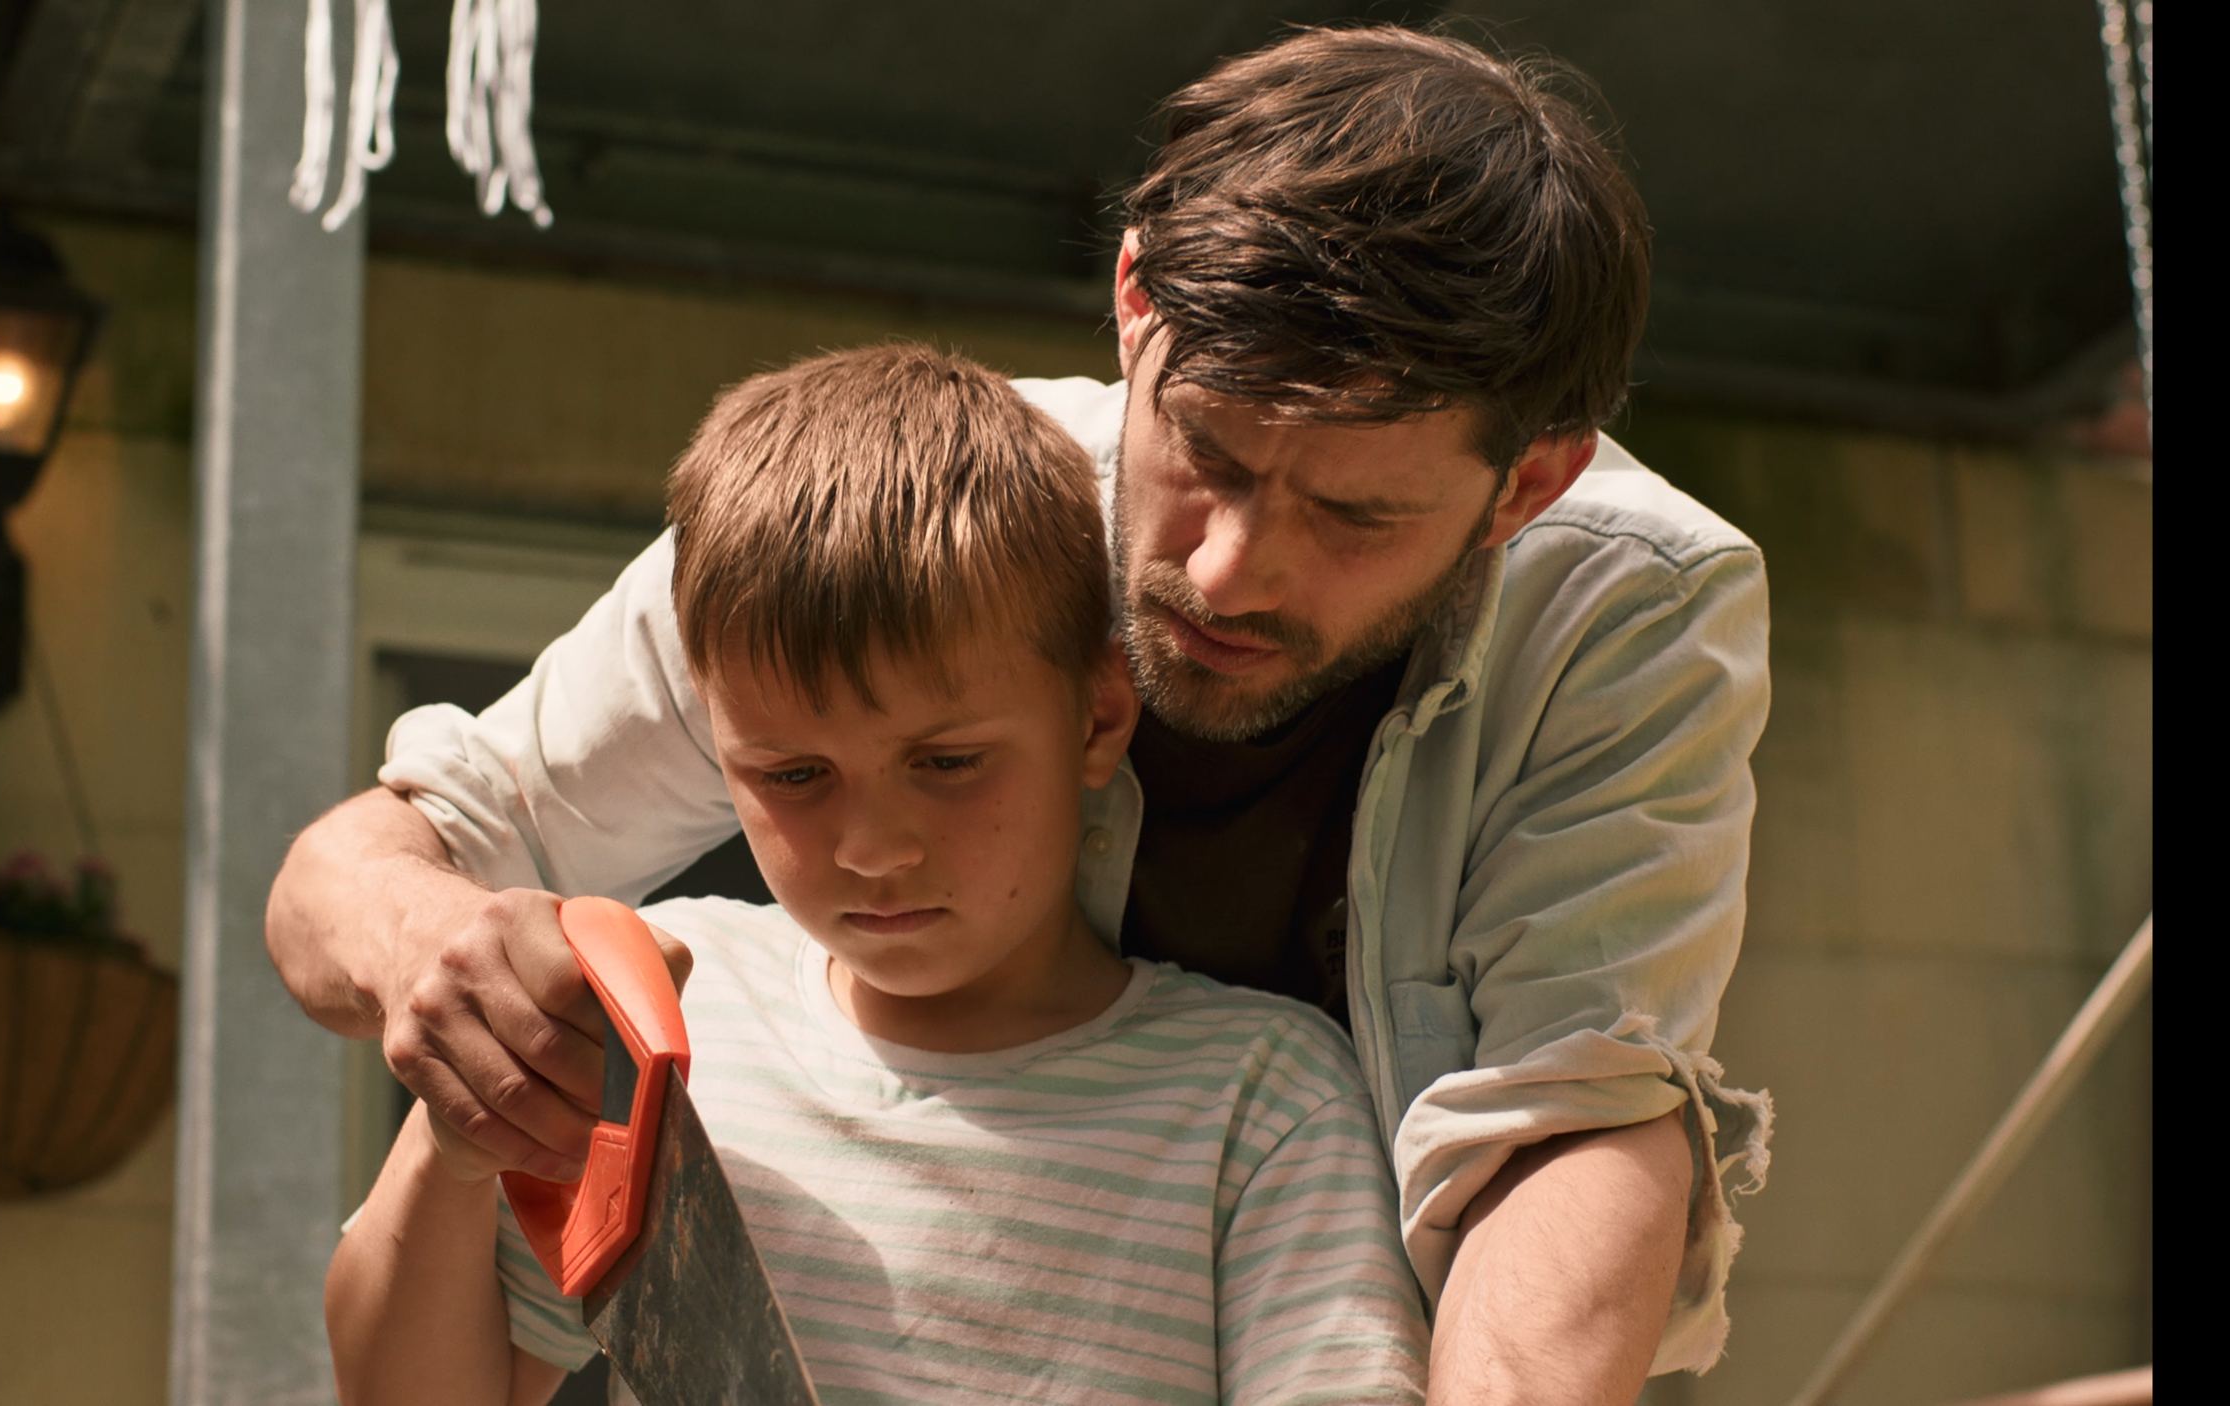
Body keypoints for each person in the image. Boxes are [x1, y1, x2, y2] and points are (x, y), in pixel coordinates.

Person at [271, 24, 1773, 1402]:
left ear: (1529, 483)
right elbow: (388, 856)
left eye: (1354, 514)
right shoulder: (893, 532)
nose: (1229, 566)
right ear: (1135, 304)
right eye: (1213, 456)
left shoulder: (1632, 607)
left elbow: (1573, 1116)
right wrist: (438, 971)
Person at [324, 345, 1429, 1406]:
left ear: (1095, 715)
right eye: (794, 772)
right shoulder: (667, 1017)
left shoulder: (1263, 1104)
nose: (872, 846)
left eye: (947, 763)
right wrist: (458, 1139)